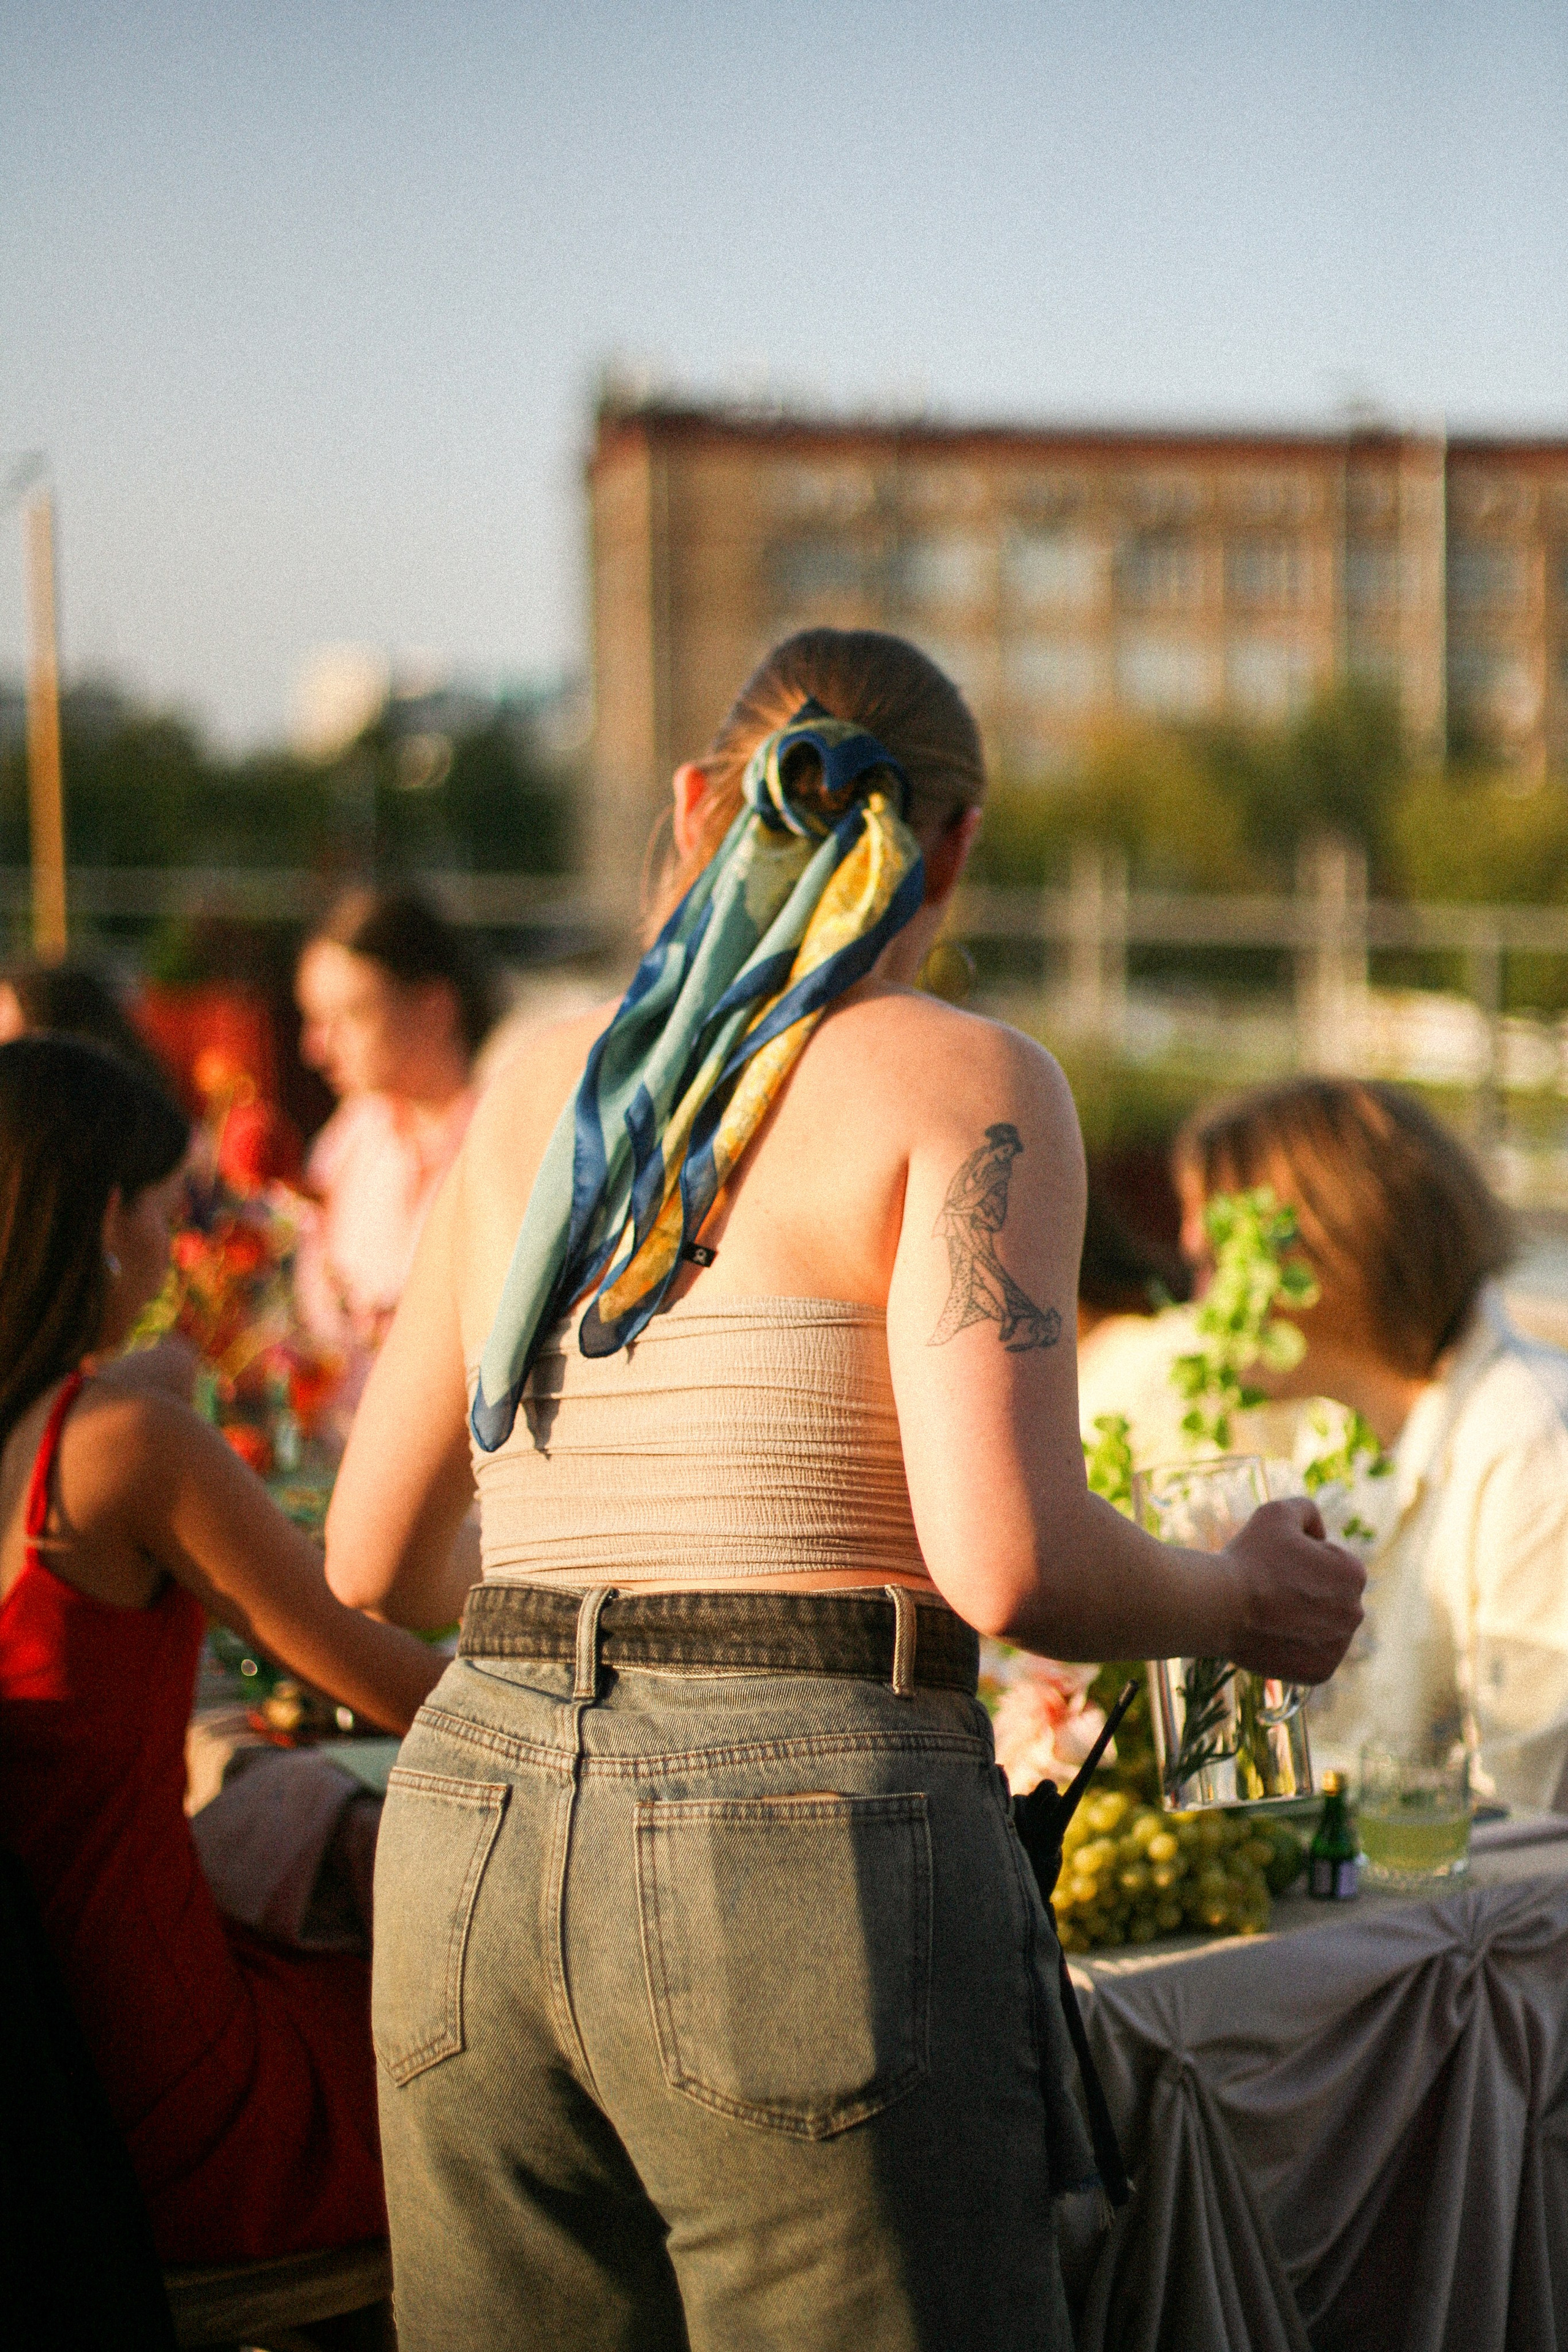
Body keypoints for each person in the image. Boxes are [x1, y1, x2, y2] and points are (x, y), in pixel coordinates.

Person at [325, 629, 1363, 2350]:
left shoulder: (528, 1088)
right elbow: (1008, 1561)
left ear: (692, 805)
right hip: (797, 1831)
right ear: (953, 848)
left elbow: (374, 1551)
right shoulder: (968, 1082)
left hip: (471, 1821)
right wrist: (1242, 1599)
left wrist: (595, 1613)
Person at [0, 1035, 445, 2263]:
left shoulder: (65, 1445)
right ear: (102, 1215)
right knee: (508, 2069)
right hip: (159, 2074)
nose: (173, 1244)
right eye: (163, 1208)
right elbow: (372, 1663)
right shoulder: (121, 1445)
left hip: (37, 2078)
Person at [1173, 1074, 1568, 1810]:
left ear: (1324, 1252)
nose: (1198, 1303)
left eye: (1211, 1263)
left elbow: (1532, 1819)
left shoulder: (1532, 1442)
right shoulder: (1338, 1438)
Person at [293, 886, 497, 1402]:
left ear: (433, 1008)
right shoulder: (348, 1143)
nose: (315, 1047)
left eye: (350, 1016)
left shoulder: (502, 1137)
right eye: (315, 1019)